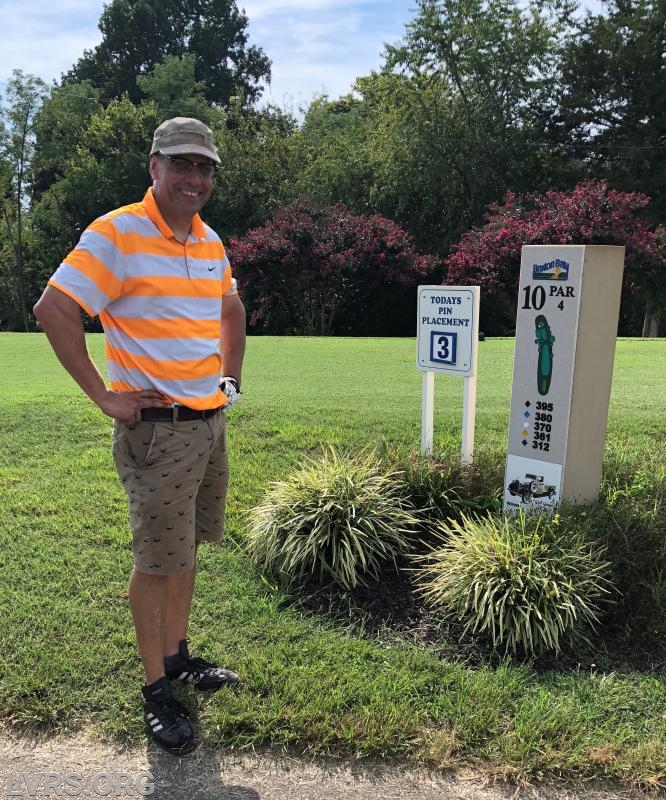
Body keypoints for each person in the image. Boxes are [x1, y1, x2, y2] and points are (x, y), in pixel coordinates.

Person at [33, 117, 246, 756]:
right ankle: (156, 688)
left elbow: (231, 308)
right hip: (156, 434)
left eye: (205, 167)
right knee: (156, 562)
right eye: (182, 163)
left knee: (184, 551)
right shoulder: (117, 232)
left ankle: (177, 656)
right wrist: (104, 396)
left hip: (208, 424)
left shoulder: (208, 242)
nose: (195, 178)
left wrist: (229, 380)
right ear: (153, 166)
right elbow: (54, 307)